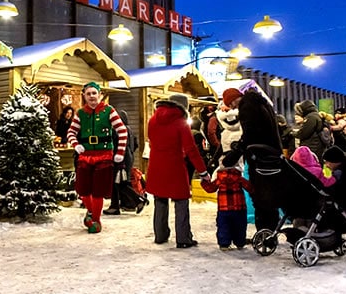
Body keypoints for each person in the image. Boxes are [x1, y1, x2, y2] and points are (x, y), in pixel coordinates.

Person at [146, 94, 206, 248]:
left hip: (156, 166)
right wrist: (203, 171)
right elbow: (191, 149)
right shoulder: (181, 123)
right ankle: (183, 238)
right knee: (181, 201)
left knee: (160, 201)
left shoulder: (152, 120)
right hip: (175, 167)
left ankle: (160, 235)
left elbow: (151, 140)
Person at [67, 82, 127, 233]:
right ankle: (91, 212)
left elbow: (122, 131)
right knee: (83, 190)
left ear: (99, 95)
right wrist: (76, 144)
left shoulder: (109, 111)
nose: (92, 96)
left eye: (94, 93)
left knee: (98, 191)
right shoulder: (80, 113)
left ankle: (96, 220)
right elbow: (71, 133)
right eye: (89, 94)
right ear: (85, 96)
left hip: (104, 155)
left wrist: (119, 152)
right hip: (86, 155)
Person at [220, 88, 282, 233]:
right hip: (272, 153)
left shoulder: (247, 106)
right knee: (269, 194)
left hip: (260, 156)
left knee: (260, 195)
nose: (233, 108)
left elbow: (250, 133)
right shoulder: (260, 103)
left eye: (231, 104)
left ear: (235, 98)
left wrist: (235, 153)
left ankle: (265, 232)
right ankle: (270, 229)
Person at [104, 109, 147, 215]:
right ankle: (125, 203)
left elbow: (114, 145)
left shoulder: (118, 130)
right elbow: (135, 144)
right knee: (123, 181)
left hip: (120, 159)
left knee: (117, 182)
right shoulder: (129, 129)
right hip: (128, 158)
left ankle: (135, 201)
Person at [200, 166, 253, 250]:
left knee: (223, 226)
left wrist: (204, 182)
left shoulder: (219, 179)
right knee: (240, 226)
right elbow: (250, 187)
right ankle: (239, 242)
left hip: (223, 208)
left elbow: (210, 188)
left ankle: (224, 244)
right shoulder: (239, 178)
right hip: (239, 208)